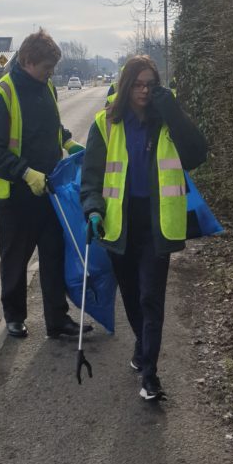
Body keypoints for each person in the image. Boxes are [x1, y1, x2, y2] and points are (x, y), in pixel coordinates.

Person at [81, 55, 207, 401]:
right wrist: (92, 209)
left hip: (157, 223)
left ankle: (150, 375)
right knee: (134, 300)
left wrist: (175, 113)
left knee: (151, 299)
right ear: (125, 86)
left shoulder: (166, 120)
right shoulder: (105, 124)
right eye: (137, 84)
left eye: (150, 84)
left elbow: (197, 154)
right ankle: (142, 347)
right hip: (119, 226)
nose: (144, 90)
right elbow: (90, 178)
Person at [0, 28, 89, 340]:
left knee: (53, 256)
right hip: (15, 196)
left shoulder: (47, 88)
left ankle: (57, 319)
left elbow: (51, 127)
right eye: (46, 68)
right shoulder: (0, 96)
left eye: (52, 68)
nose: (50, 73)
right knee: (15, 258)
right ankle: (14, 317)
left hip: (49, 190)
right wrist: (26, 173)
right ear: (27, 60)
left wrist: (69, 142)